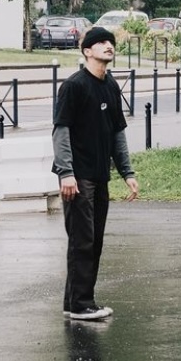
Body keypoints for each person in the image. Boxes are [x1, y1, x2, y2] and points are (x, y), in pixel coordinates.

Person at [52, 26, 138, 322]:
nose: (108, 46)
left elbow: (117, 133)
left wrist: (127, 172)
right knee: (83, 239)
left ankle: (72, 301)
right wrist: (66, 173)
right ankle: (82, 304)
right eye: (101, 42)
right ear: (87, 51)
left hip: (100, 174)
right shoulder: (74, 86)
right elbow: (61, 131)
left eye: (110, 42)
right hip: (77, 175)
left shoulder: (110, 85)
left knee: (92, 239)